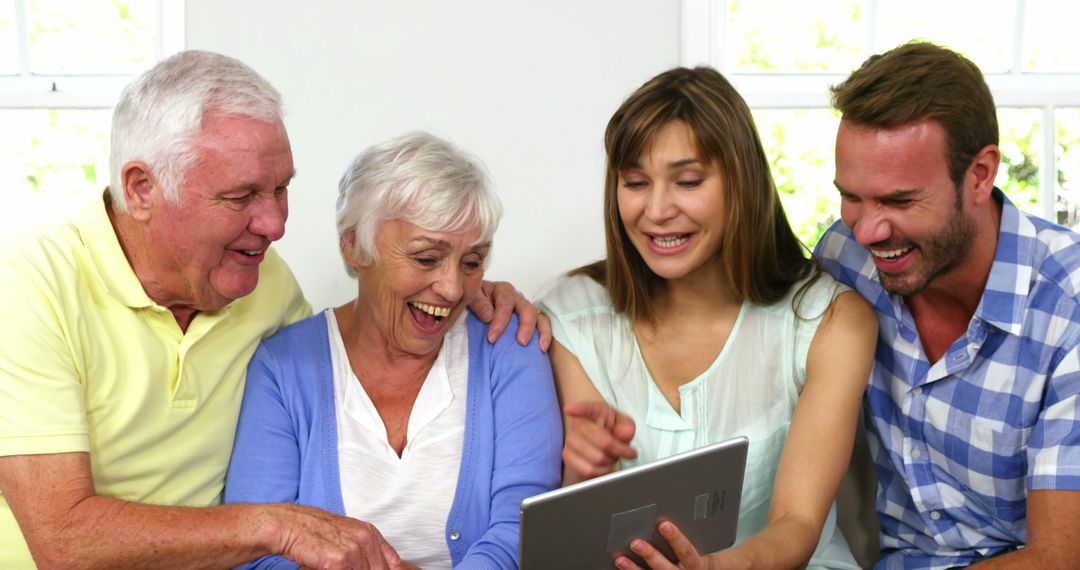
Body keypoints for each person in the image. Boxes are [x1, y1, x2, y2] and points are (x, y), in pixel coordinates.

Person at [0, 51, 543, 569]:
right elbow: (63, 542)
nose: (275, 224)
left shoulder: (260, 281)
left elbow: (348, 352)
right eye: (242, 196)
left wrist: (479, 293)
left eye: (281, 188)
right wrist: (272, 527)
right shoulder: (30, 288)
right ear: (142, 189)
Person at [538, 66, 878, 569]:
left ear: (741, 183)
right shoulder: (573, 316)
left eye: (688, 181)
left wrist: (719, 567)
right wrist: (579, 475)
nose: (655, 210)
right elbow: (582, 528)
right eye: (635, 182)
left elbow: (798, 523)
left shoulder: (827, 322)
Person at [224, 132, 562, 569]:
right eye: (426, 258)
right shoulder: (282, 367)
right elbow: (257, 553)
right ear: (353, 245)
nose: (452, 287)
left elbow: (522, 529)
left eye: (472, 262)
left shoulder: (509, 346)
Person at [814, 41, 1080, 569]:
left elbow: (1058, 557)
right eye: (852, 196)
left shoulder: (1067, 305)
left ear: (980, 175)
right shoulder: (845, 259)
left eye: (898, 200)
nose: (867, 229)